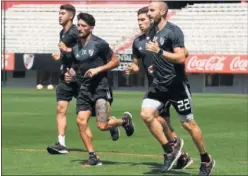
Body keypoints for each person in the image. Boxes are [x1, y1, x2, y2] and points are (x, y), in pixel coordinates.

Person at [142, 1, 215, 174]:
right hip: (159, 85)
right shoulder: (152, 31)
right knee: (146, 114)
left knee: (189, 124)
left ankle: (206, 160)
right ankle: (170, 149)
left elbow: (181, 57)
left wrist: (159, 52)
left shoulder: (174, 31)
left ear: (163, 11)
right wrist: (154, 65)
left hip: (176, 85)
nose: (149, 13)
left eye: (152, 10)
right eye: (148, 10)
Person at [59, 12, 135, 166]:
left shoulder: (100, 44)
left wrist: (98, 69)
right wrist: (69, 75)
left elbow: (115, 62)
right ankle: (92, 156)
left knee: (102, 126)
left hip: (100, 88)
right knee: (81, 121)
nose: (79, 28)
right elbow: (75, 67)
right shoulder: (75, 48)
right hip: (84, 89)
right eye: (78, 25)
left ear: (91, 28)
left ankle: (124, 121)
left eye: (83, 26)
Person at [125, 6, 193, 170]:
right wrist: (133, 69)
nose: (140, 23)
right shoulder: (138, 42)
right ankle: (181, 155)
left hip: (173, 84)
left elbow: (184, 53)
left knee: (153, 117)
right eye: (138, 20)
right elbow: (136, 64)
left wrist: (165, 55)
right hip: (156, 88)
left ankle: (172, 150)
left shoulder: (165, 35)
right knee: (162, 123)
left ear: (151, 18)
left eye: (143, 19)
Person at [47, 4, 78, 154]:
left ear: (70, 16)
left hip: (79, 77)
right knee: (60, 109)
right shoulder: (62, 32)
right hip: (65, 77)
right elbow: (67, 55)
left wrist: (73, 71)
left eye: (62, 13)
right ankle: (61, 144)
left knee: (94, 114)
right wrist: (61, 56)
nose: (59, 16)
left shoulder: (76, 32)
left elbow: (82, 53)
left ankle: (119, 123)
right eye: (59, 13)